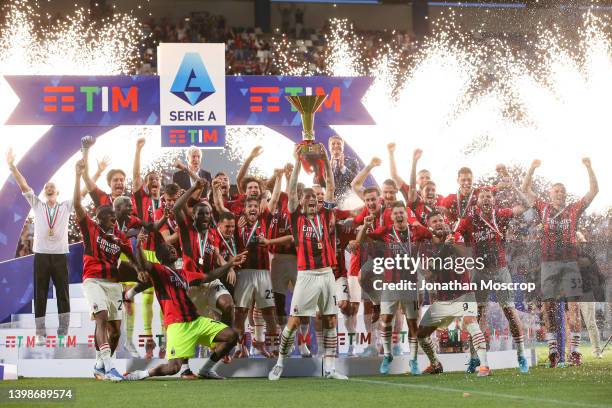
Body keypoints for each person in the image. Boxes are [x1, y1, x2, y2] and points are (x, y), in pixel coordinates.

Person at [6, 148, 107, 343]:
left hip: (60, 254)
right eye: (46, 186)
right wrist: (12, 166)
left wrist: (99, 171)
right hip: (41, 255)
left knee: (63, 293)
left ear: (58, 192)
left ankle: (63, 328)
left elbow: (83, 191)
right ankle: (40, 332)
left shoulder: (65, 206)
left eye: (52, 186)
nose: (49, 187)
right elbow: (23, 185)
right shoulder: (37, 204)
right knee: (40, 293)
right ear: (44, 192)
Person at [269, 144, 348, 380]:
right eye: (307, 197)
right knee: (294, 321)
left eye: (314, 197)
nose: (311, 199)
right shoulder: (296, 217)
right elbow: (292, 191)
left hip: (326, 274)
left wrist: (324, 160)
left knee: (331, 319)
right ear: (301, 202)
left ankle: (331, 369)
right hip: (305, 275)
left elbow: (331, 186)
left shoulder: (325, 214)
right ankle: (280, 363)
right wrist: (295, 162)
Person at [124, 237, 246, 381]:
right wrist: (138, 247)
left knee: (232, 335)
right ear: (161, 256)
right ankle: (141, 374)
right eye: (168, 248)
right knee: (173, 368)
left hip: (197, 322)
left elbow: (208, 276)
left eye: (173, 247)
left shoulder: (184, 274)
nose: (172, 249)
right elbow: (144, 264)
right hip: (178, 325)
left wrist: (230, 263)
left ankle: (206, 370)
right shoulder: (159, 271)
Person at [522, 158, 598, 367]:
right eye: (556, 191)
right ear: (550, 194)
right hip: (548, 264)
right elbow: (524, 188)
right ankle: (554, 350)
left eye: (562, 191)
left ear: (566, 194)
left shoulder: (573, 210)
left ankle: (574, 352)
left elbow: (594, 191)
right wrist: (532, 167)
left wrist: (589, 167)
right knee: (549, 307)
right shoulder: (543, 207)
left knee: (573, 307)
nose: (559, 193)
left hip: (570, 264)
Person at [73, 160, 138, 382]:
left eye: (114, 219)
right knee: (100, 318)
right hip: (93, 281)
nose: (113, 221)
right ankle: (110, 367)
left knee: (116, 331)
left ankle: (99, 366)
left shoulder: (120, 236)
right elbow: (77, 204)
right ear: (100, 218)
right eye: (110, 218)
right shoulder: (90, 227)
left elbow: (133, 258)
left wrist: (141, 273)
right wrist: (77, 176)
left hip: (113, 284)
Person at [455, 186, 532, 374]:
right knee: (476, 314)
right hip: (478, 272)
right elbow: (454, 236)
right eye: (482, 197)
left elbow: (527, 205)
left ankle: (521, 355)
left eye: (489, 196)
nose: (486, 199)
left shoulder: (501, 214)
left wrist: (513, 183)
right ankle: (475, 358)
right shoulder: (469, 220)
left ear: (493, 199)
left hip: (500, 270)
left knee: (510, 312)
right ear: (477, 201)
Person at [415, 211, 491, 377]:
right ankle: (435, 364)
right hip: (444, 299)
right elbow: (430, 272)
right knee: (421, 334)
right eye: (434, 221)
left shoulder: (456, 236)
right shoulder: (426, 246)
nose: (439, 223)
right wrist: (444, 248)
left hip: (464, 292)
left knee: (471, 323)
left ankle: (484, 366)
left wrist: (452, 244)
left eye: (441, 220)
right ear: (429, 226)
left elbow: (467, 256)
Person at [356, 201, 420, 375]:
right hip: (390, 284)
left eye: (402, 213)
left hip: (410, 284)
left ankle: (414, 360)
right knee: (385, 320)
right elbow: (360, 241)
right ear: (391, 217)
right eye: (396, 213)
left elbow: (434, 237)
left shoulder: (416, 231)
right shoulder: (385, 232)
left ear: (406, 215)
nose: (399, 215)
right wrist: (365, 226)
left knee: (412, 323)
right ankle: (387, 355)